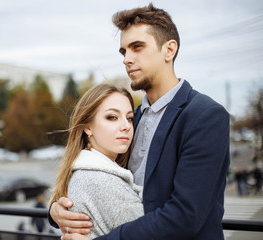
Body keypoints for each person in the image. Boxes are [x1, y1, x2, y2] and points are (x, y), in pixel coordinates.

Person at [48, 3, 230, 240]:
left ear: (169, 50)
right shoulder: (132, 119)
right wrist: (54, 210)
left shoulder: (205, 116)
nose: (127, 59)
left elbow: (185, 216)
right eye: (124, 51)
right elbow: (101, 175)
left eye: (137, 47)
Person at [48, 83, 144, 238]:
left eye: (130, 118)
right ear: (87, 127)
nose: (126, 126)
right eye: (112, 117)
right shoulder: (105, 182)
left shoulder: (82, 170)